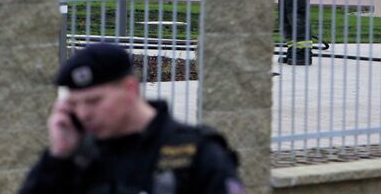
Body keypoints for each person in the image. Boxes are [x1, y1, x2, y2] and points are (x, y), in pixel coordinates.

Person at [18, 43, 243, 194]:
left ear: (130, 88)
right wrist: (58, 157)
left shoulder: (195, 154)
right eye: (75, 104)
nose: (84, 114)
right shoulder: (76, 159)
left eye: (94, 101)